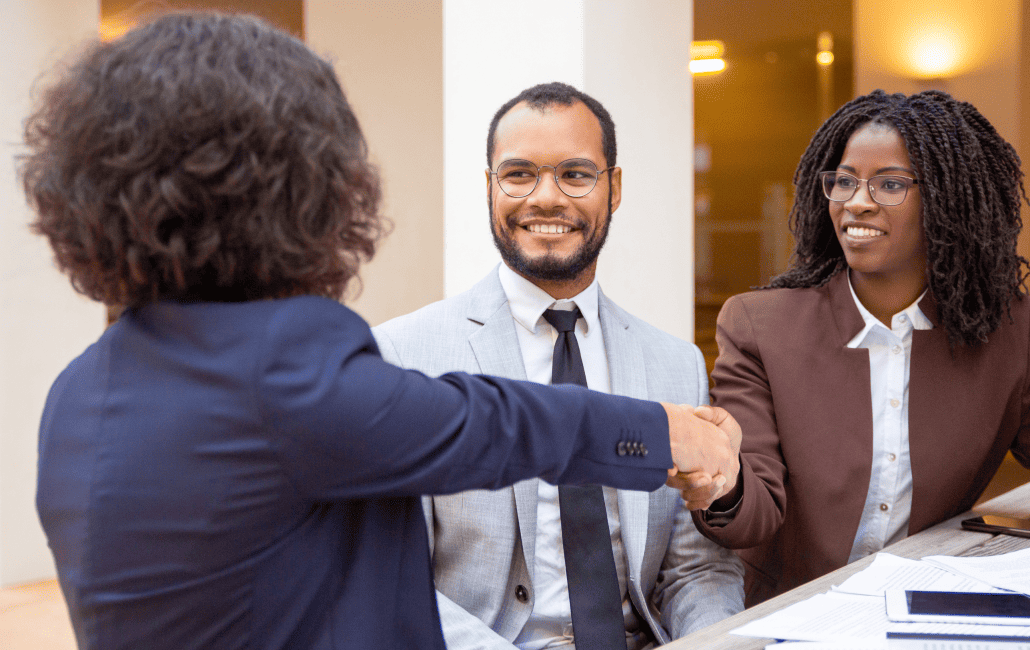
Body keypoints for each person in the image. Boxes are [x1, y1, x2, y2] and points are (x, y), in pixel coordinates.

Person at [21, 14, 739, 650]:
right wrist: (663, 432)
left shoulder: (77, 393)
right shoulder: (284, 361)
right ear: (304, 184)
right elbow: (487, 425)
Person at [684, 89, 1030, 605]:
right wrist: (722, 481)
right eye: (844, 181)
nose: (857, 201)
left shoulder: (1003, 331)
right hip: (795, 611)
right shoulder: (760, 326)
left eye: (889, 184)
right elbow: (753, 515)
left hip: (926, 604)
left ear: (945, 198)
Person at [372, 82, 744, 650]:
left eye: (575, 174)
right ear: (489, 188)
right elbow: (395, 583)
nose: (546, 198)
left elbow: (697, 571)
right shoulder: (404, 355)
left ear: (613, 188)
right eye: (519, 174)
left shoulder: (675, 363)